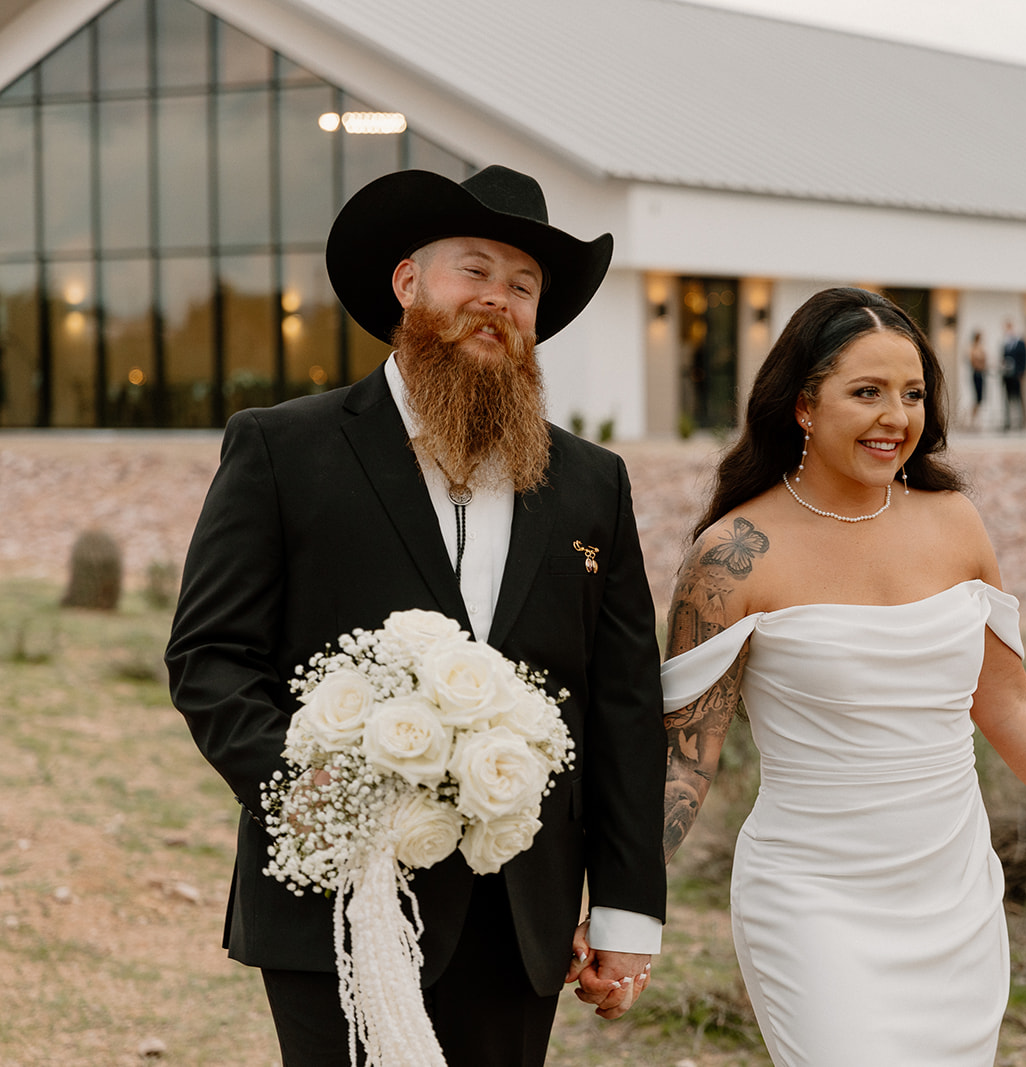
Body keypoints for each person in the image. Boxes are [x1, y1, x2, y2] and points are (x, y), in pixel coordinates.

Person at [165, 165, 668, 1066]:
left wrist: (627, 912)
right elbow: (209, 654)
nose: (498, 301)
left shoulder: (594, 481)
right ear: (409, 283)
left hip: (520, 913)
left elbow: (624, 704)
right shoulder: (283, 447)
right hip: (336, 895)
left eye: (523, 286)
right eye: (473, 271)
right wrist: (314, 790)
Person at [642, 286, 1026, 1065]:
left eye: (913, 393)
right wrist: (623, 899)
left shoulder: (955, 520)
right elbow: (685, 756)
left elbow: (1009, 698)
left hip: (953, 899)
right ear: (803, 406)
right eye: (867, 392)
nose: (897, 416)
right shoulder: (733, 554)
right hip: (813, 901)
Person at [999, 319, 1026, 431]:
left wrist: (1022, 372)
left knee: (1019, 398)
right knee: (1007, 398)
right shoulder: (1005, 344)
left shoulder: (1020, 343)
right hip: (1007, 375)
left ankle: (1022, 420)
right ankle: (1008, 421)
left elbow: (1025, 358)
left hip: (1017, 375)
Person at [966, 329, 988, 428]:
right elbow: (974, 362)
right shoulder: (973, 349)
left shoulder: (979, 348)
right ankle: (972, 421)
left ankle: (975, 420)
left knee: (980, 398)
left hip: (981, 374)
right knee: (977, 397)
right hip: (976, 374)